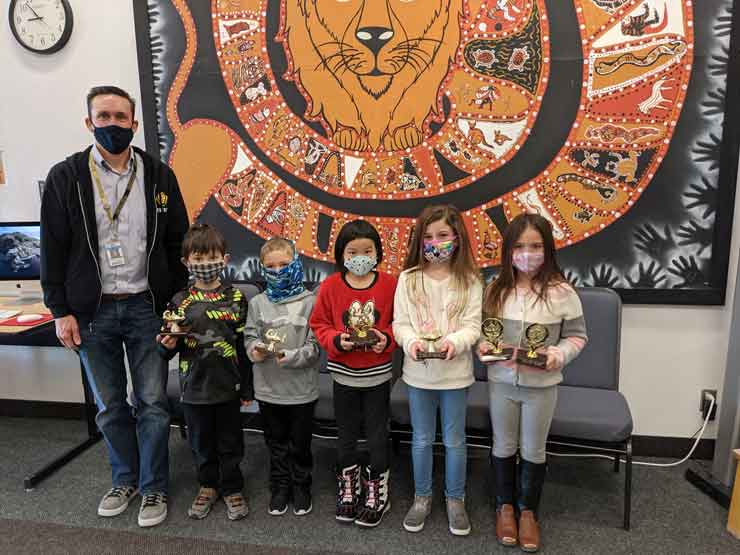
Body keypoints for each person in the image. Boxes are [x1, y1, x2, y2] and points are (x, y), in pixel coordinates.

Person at [40, 85, 189, 527]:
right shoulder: (66, 177)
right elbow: (52, 248)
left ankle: (154, 486)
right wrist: (59, 310)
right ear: (89, 123)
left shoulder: (159, 176)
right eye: (103, 117)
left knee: (153, 403)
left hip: (147, 307)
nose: (112, 124)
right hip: (92, 311)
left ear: (134, 124)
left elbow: (178, 242)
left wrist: (175, 303)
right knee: (109, 406)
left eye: (120, 117)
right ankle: (125, 479)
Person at [479, 213, 587, 552]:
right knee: (503, 445)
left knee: (533, 448)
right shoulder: (495, 289)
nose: (528, 253)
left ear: (548, 249)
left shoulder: (562, 292)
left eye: (536, 246)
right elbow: (484, 334)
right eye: (520, 246)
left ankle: (528, 512)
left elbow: (577, 336)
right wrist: (483, 347)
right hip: (501, 383)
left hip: (541, 387)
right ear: (508, 251)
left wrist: (560, 353)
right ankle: (504, 508)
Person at [392, 204, 482, 536]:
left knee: (455, 440)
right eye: (428, 236)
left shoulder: (470, 280)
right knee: (421, 439)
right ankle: (422, 496)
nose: (435, 242)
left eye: (442, 234)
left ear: (456, 238)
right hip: (419, 374)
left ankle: (455, 499)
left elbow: (473, 326)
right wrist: (410, 342)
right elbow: (400, 323)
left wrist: (454, 342)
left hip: (455, 375)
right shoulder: (408, 278)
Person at [158, 223, 252, 521]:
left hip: (228, 386)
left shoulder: (236, 298)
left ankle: (232, 487)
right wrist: (166, 345)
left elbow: (243, 346)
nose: (205, 264)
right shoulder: (179, 301)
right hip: (194, 387)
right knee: (200, 442)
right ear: (186, 262)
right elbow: (166, 347)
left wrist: (247, 388)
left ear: (225, 259)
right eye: (198, 259)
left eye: (211, 257)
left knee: (231, 441)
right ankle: (208, 485)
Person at [309, 220, 398, 528]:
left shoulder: (390, 285)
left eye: (367, 251)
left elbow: (400, 323)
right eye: (353, 252)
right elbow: (319, 323)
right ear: (341, 255)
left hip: (378, 376)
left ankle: (377, 492)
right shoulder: (331, 286)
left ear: (378, 253)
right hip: (343, 376)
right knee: (346, 434)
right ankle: (349, 487)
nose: (360, 257)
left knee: (377, 435)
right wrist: (336, 339)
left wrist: (386, 338)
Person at [244, 238, 320, 517]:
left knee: (300, 444)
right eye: (271, 266)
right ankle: (280, 486)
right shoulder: (257, 303)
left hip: (301, 391)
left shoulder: (311, 302)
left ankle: (301, 486)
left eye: (284, 264)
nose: (278, 271)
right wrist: (254, 349)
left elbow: (314, 347)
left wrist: (292, 356)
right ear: (262, 268)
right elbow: (249, 336)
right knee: (275, 444)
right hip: (268, 389)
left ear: (296, 264)